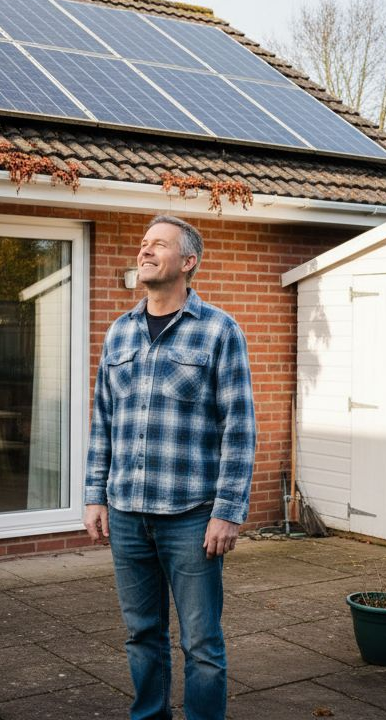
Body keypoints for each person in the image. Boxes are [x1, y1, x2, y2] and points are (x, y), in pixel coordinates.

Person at [84, 214, 256, 720]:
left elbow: (240, 429)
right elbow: (103, 422)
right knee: (142, 636)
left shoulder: (219, 332)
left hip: (191, 517)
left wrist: (228, 511)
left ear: (188, 262)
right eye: (143, 243)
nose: (145, 250)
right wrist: (95, 494)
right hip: (128, 514)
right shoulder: (119, 333)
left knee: (202, 643)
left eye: (158, 244)